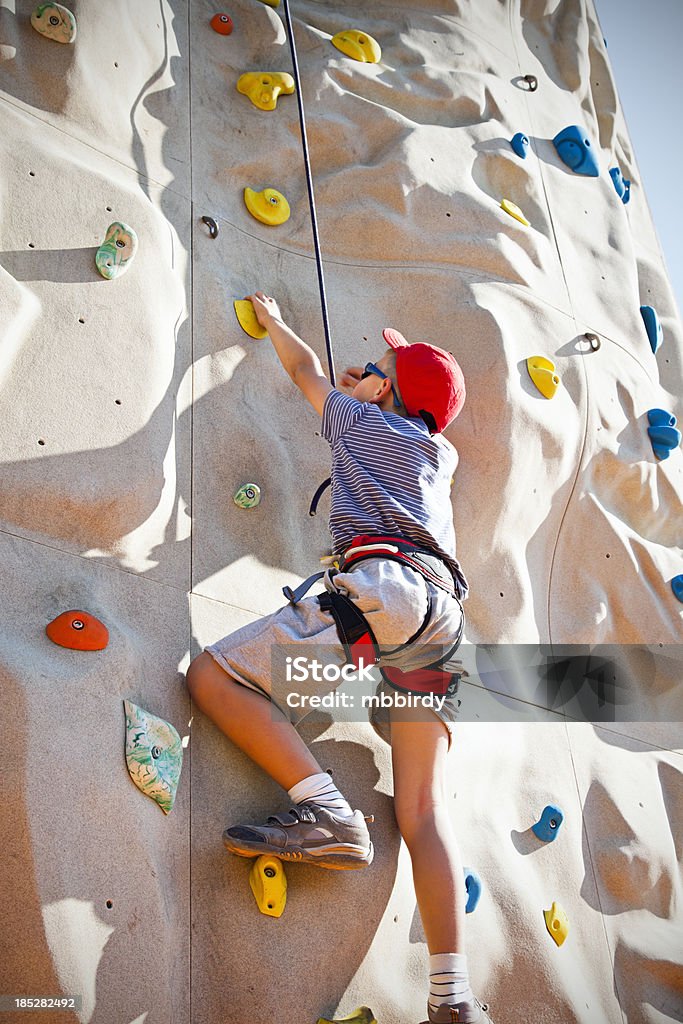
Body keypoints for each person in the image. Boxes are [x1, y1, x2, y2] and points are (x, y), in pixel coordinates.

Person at [186, 292, 494, 1024]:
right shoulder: (435, 455)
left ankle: (325, 811)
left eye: (373, 366)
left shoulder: (360, 420)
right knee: (422, 810)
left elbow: (305, 370)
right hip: (442, 622)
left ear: (384, 389)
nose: (358, 370)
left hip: (381, 593)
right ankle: (454, 998)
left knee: (213, 675)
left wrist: (272, 320)